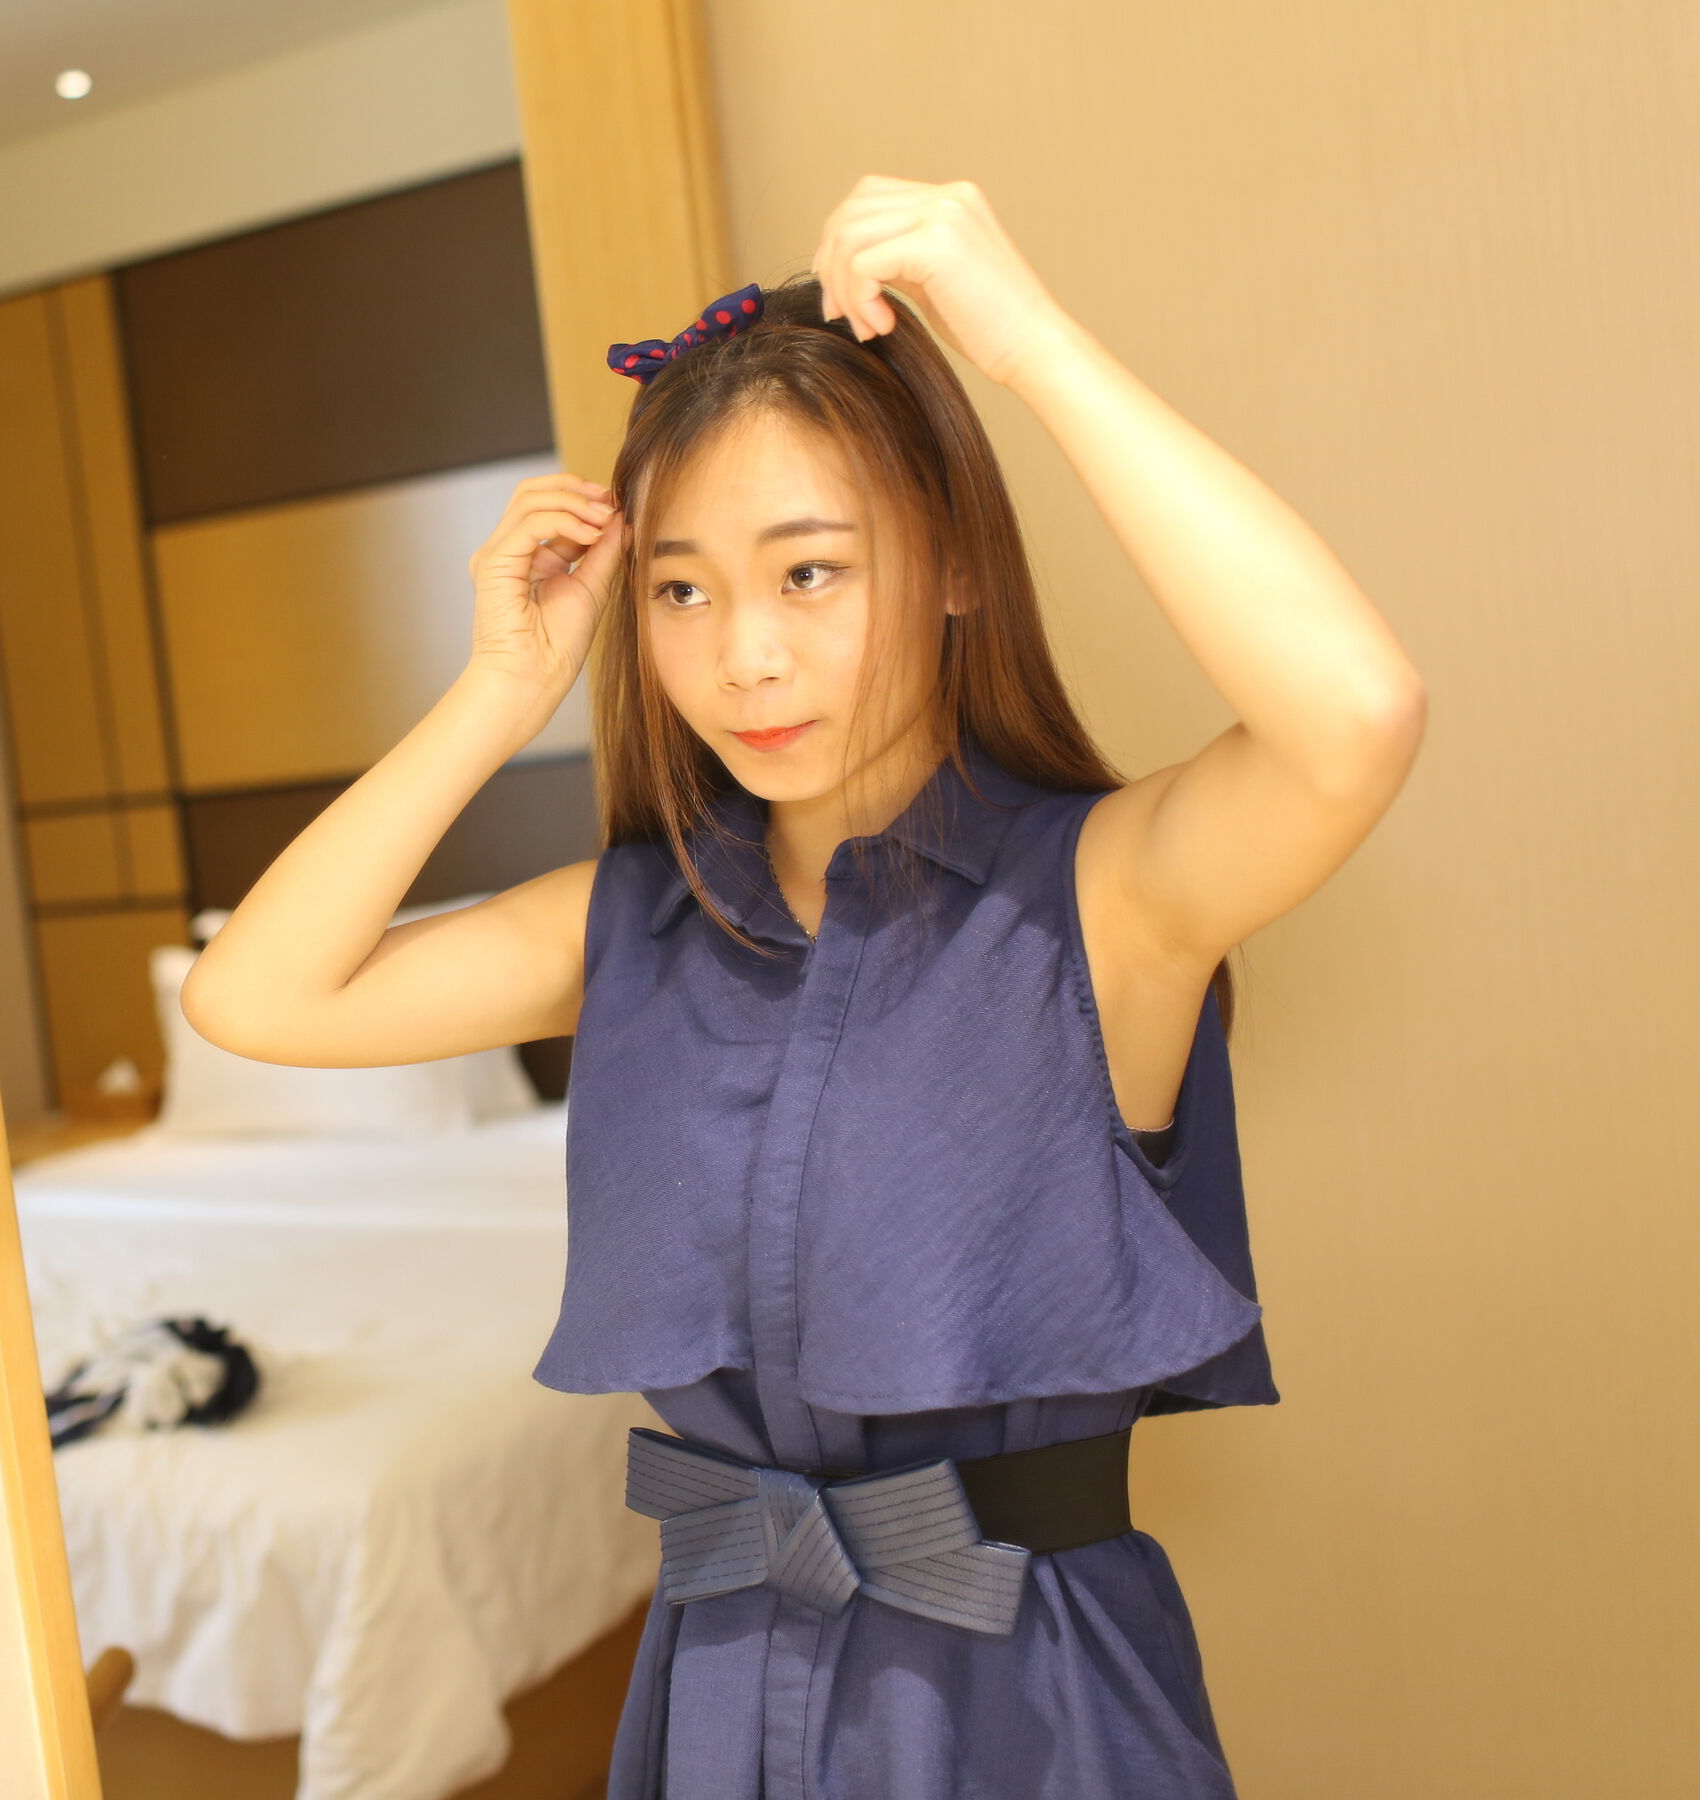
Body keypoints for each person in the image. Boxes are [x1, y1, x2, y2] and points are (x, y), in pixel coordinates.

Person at [181, 176, 1424, 1797]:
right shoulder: (634, 922)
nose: (743, 657)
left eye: (810, 574)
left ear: (955, 565)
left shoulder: (1097, 900)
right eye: (682, 591)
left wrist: (1030, 343)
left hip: (1027, 1709)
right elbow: (255, 999)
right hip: (718, 1692)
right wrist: (498, 688)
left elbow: (1355, 714)